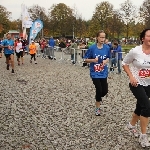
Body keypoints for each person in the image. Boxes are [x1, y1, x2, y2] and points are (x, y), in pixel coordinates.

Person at [122, 29, 150, 148]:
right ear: (143, 38)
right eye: (149, 36)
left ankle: (130, 125)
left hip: (148, 84)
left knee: (140, 107)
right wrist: (131, 76)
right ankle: (143, 137)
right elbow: (124, 63)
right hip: (136, 83)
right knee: (147, 107)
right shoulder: (135, 51)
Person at [83, 30, 110, 116]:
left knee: (104, 91)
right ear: (97, 38)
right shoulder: (92, 48)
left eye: (104, 37)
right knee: (99, 89)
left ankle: (98, 98)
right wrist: (93, 60)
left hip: (103, 72)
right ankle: (97, 108)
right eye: (101, 37)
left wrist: (105, 61)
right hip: (94, 73)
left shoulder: (107, 48)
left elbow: (108, 57)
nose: (102, 39)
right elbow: (85, 59)